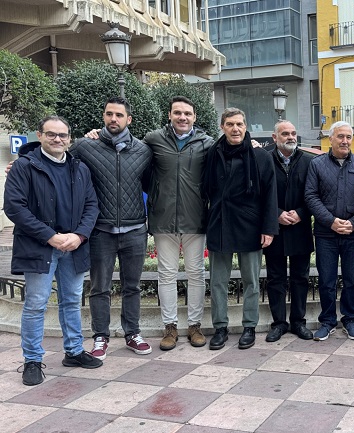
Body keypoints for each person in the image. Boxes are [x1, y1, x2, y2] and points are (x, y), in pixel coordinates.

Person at [4, 116, 102, 385]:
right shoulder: (24, 167)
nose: (57, 139)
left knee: (71, 300)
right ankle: (32, 360)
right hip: (40, 247)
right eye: (51, 134)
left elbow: (92, 205)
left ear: (70, 138)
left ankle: (73, 351)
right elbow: (14, 207)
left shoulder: (80, 168)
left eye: (63, 135)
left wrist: (79, 235)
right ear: (40, 135)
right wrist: (50, 237)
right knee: (36, 304)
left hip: (73, 246)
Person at [69, 97, 153, 359]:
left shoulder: (144, 150)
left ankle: (132, 334)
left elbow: (152, 184)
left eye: (119, 115)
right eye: (109, 114)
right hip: (101, 230)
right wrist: (23, 163)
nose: (113, 119)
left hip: (135, 229)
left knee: (132, 286)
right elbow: (58, 165)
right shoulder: (85, 146)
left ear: (129, 120)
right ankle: (100, 337)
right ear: (103, 116)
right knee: (100, 287)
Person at [203, 108, 278, 350]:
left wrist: (268, 228)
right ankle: (220, 327)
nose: (235, 129)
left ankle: (249, 327)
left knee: (251, 282)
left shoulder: (261, 156)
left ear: (246, 127)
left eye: (239, 124)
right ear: (222, 127)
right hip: (220, 224)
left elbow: (270, 195)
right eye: (230, 124)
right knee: (218, 282)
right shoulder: (212, 153)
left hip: (250, 224)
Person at [144, 96, 214, 350]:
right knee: (166, 275)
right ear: (170, 115)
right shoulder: (153, 139)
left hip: (196, 217)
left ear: (195, 117)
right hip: (163, 218)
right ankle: (170, 327)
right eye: (177, 113)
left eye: (187, 113)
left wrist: (253, 146)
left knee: (196, 273)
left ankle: (195, 325)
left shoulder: (207, 143)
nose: (182, 117)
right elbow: (128, 155)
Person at [305, 121, 354, 341]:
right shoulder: (317, 164)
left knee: (352, 279)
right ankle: (327, 321)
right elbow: (311, 196)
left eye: (349, 137)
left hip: (353, 233)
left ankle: (350, 319)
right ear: (331, 139)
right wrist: (331, 221)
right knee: (326, 279)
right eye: (341, 136)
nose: (345, 141)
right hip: (326, 233)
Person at [263, 120, 315, 342]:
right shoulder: (264, 159)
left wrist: (301, 213)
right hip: (274, 228)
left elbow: (316, 194)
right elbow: (258, 194)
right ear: (275, 138)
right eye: (285, 134)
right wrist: (276, 213)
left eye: (293, 133)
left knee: (300, 278)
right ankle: (279, 323)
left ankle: (298, 322)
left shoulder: (310, 161)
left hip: (300, 227)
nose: (290, 137)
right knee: (275, 278)